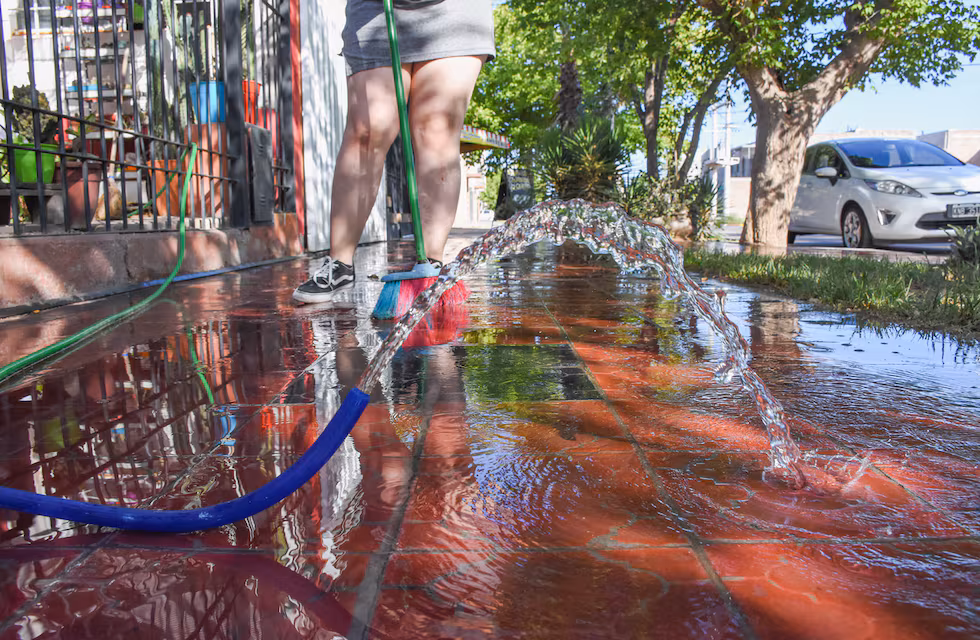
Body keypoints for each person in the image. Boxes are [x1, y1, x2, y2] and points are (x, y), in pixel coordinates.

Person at [292, 0, 496, 303]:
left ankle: (431, 264)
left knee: (436, 129)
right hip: (376, 11)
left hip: (453, 12)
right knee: (368, 129)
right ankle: (340, 264)